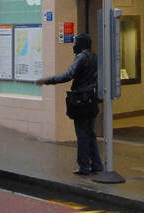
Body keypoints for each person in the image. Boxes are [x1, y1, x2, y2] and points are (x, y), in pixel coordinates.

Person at [38, 33, 103, 175]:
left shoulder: (81, 58)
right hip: (92, 100)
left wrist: (47, 80)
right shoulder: (94, 57)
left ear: (81, 44)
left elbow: (68, 75)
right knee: (91, 134)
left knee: (82, 134)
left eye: (76, 42)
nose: (74, 45)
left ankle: (84, 166)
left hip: (81, 101)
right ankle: (97, 165)